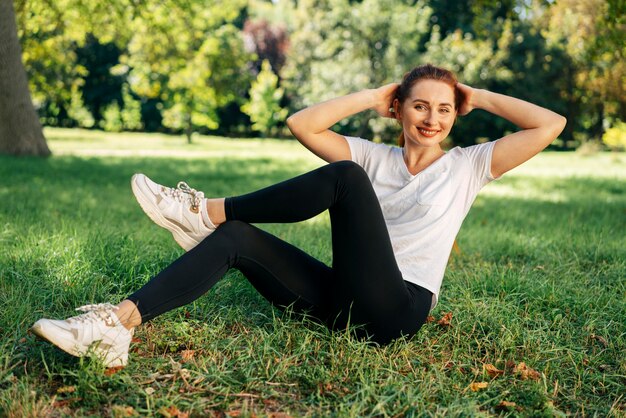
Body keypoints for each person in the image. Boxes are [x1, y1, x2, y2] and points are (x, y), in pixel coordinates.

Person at [31, 64, 566, 367]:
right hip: (341, 300)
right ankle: (115, 327)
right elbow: (301, 124)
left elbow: (549, 124)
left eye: (444, 108)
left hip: (397, 310)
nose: (432, 118)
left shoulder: (469, 166)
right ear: (398, 108)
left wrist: (476, 95)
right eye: (419, 105)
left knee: (345, 180)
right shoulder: (373, 156)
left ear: (456, 115)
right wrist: (370, 94)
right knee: (238, 238)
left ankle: (206, 210)